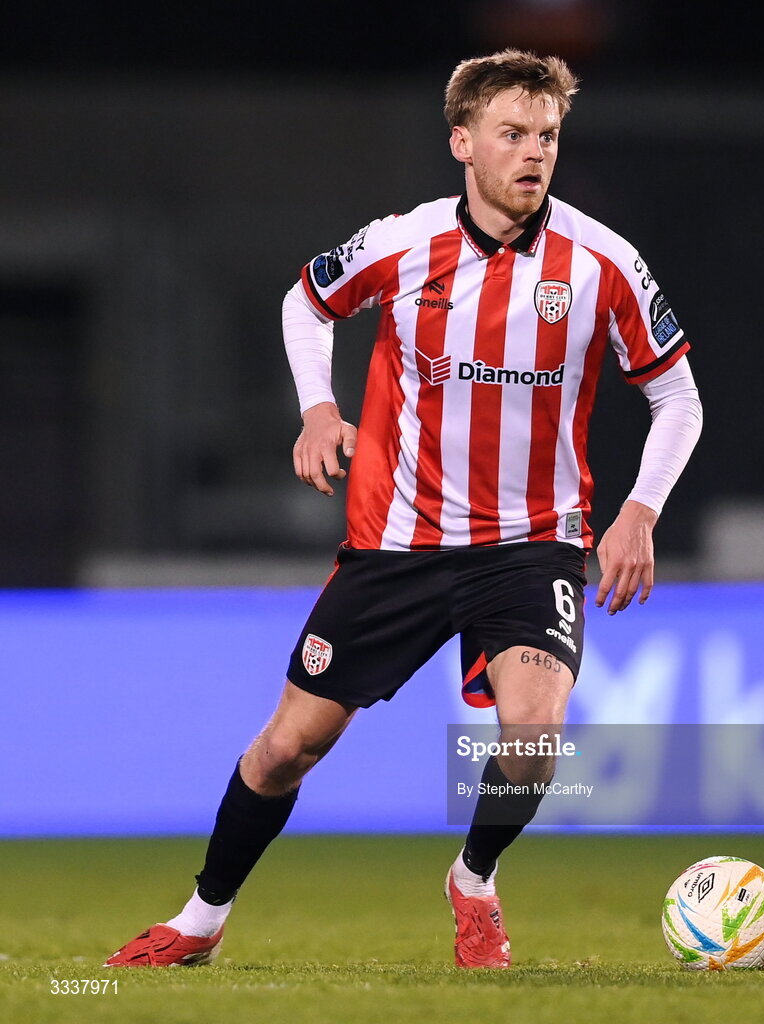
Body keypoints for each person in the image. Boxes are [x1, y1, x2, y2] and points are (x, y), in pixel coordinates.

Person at [105, 48, 702, 970]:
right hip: (398, 544)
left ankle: (472, 881)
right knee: (284, 751)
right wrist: (317, 407)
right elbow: (306, 304)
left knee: (535, 739)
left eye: (545, 135)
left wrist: (639, 512)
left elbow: (679, 398)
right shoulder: (400, 242)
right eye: (511, 134)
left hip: (532, 544)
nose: (532, 152)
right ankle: (200, 919)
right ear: (463, 142)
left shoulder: (603, 263)